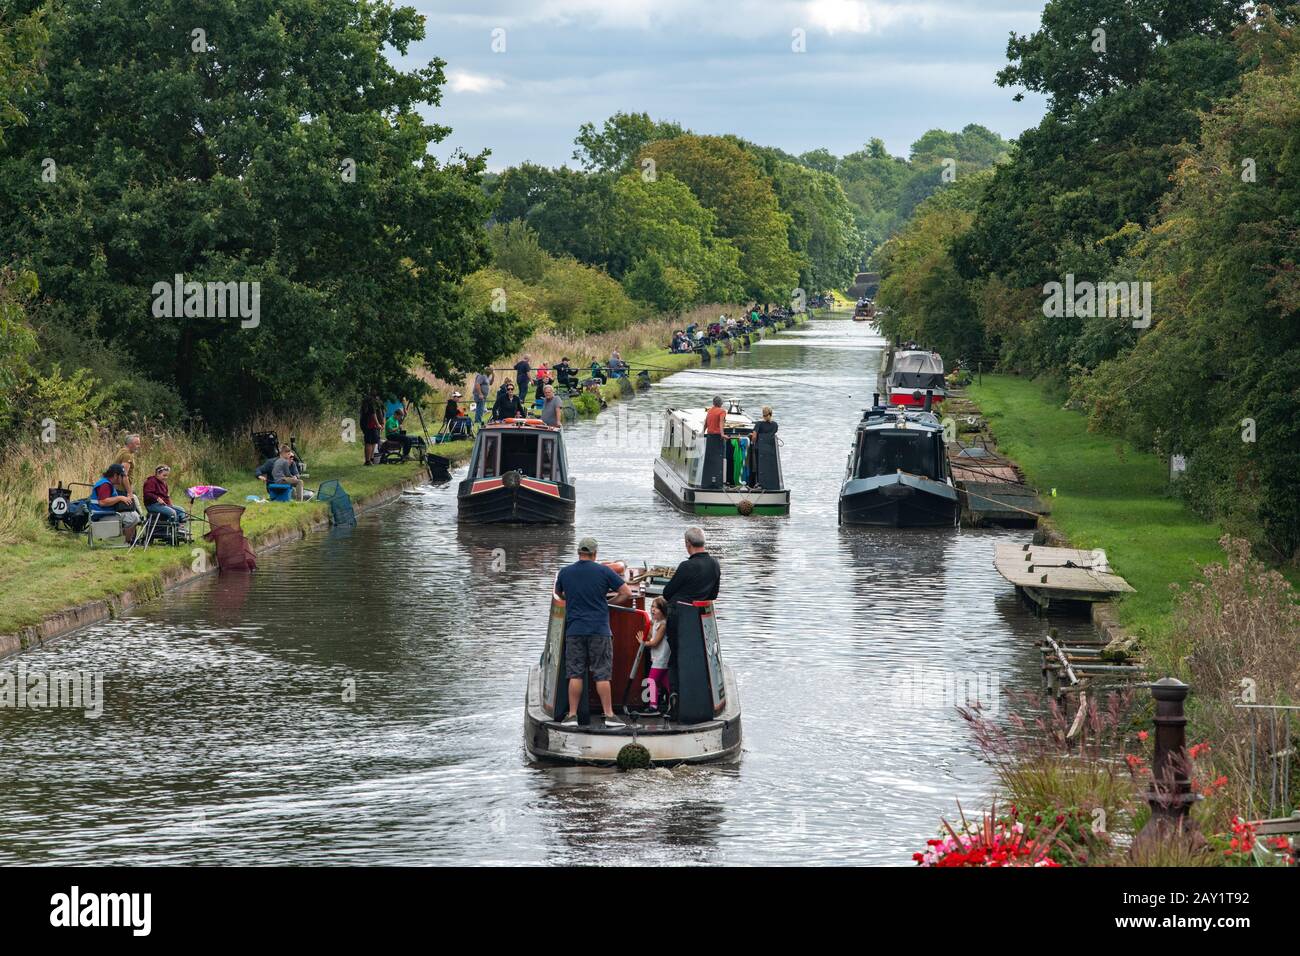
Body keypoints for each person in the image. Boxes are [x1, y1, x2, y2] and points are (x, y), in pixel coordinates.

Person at [554, 537, 633, 728]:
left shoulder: (565, 573)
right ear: (595, 553)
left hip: (575, 630)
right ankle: (609, 715)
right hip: (599, 629)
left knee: (575, 674)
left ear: (578, 552)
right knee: (602, 674)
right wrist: (607, 605)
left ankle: (572, 716)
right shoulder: (604, 571)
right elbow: (627, 593)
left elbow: (560, 595)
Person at [636, 596, 671, 714]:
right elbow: (651, 637)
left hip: (661, 657)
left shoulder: (663, 624)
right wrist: (650, 626)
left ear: (663, 610)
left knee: (651, 680)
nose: (652, 610)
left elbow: (655, 642)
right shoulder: (655, 623)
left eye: (656, 608)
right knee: (665, 681)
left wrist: (643, 643)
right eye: (652, 607)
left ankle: (653, 706)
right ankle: (674, 700)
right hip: (657, 657)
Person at [90, 464, 141, 543]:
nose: (123, 478)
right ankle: (126, 543)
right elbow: (102, 502)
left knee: (134, 515)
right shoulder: (105, 485)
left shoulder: (107, 483)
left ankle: (127, 541)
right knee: (133, 517)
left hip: (107, 513)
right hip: (101, 516)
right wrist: (120, 498)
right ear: (115, 475)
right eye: (122, 476)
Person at [704, 395, 727, 488]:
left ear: (713, 403)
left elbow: (706, 422)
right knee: (720, 458)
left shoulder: (709, 410)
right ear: (721, 404)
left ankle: (709, 480)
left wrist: (702, 432)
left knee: (710, 459)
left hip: (710, 437)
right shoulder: (722, 411)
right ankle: (720, 482)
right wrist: (722, 434)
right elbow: (721, 422)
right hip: (717, 437)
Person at [360, 392, 382, 466]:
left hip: (371, 426)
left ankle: (371, 459)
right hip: (368, 425)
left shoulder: (368, 404)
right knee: (369, 442)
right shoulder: (371, 404)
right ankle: (368, 460)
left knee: (373, 442)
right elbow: (373, 415)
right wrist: (378, 424)